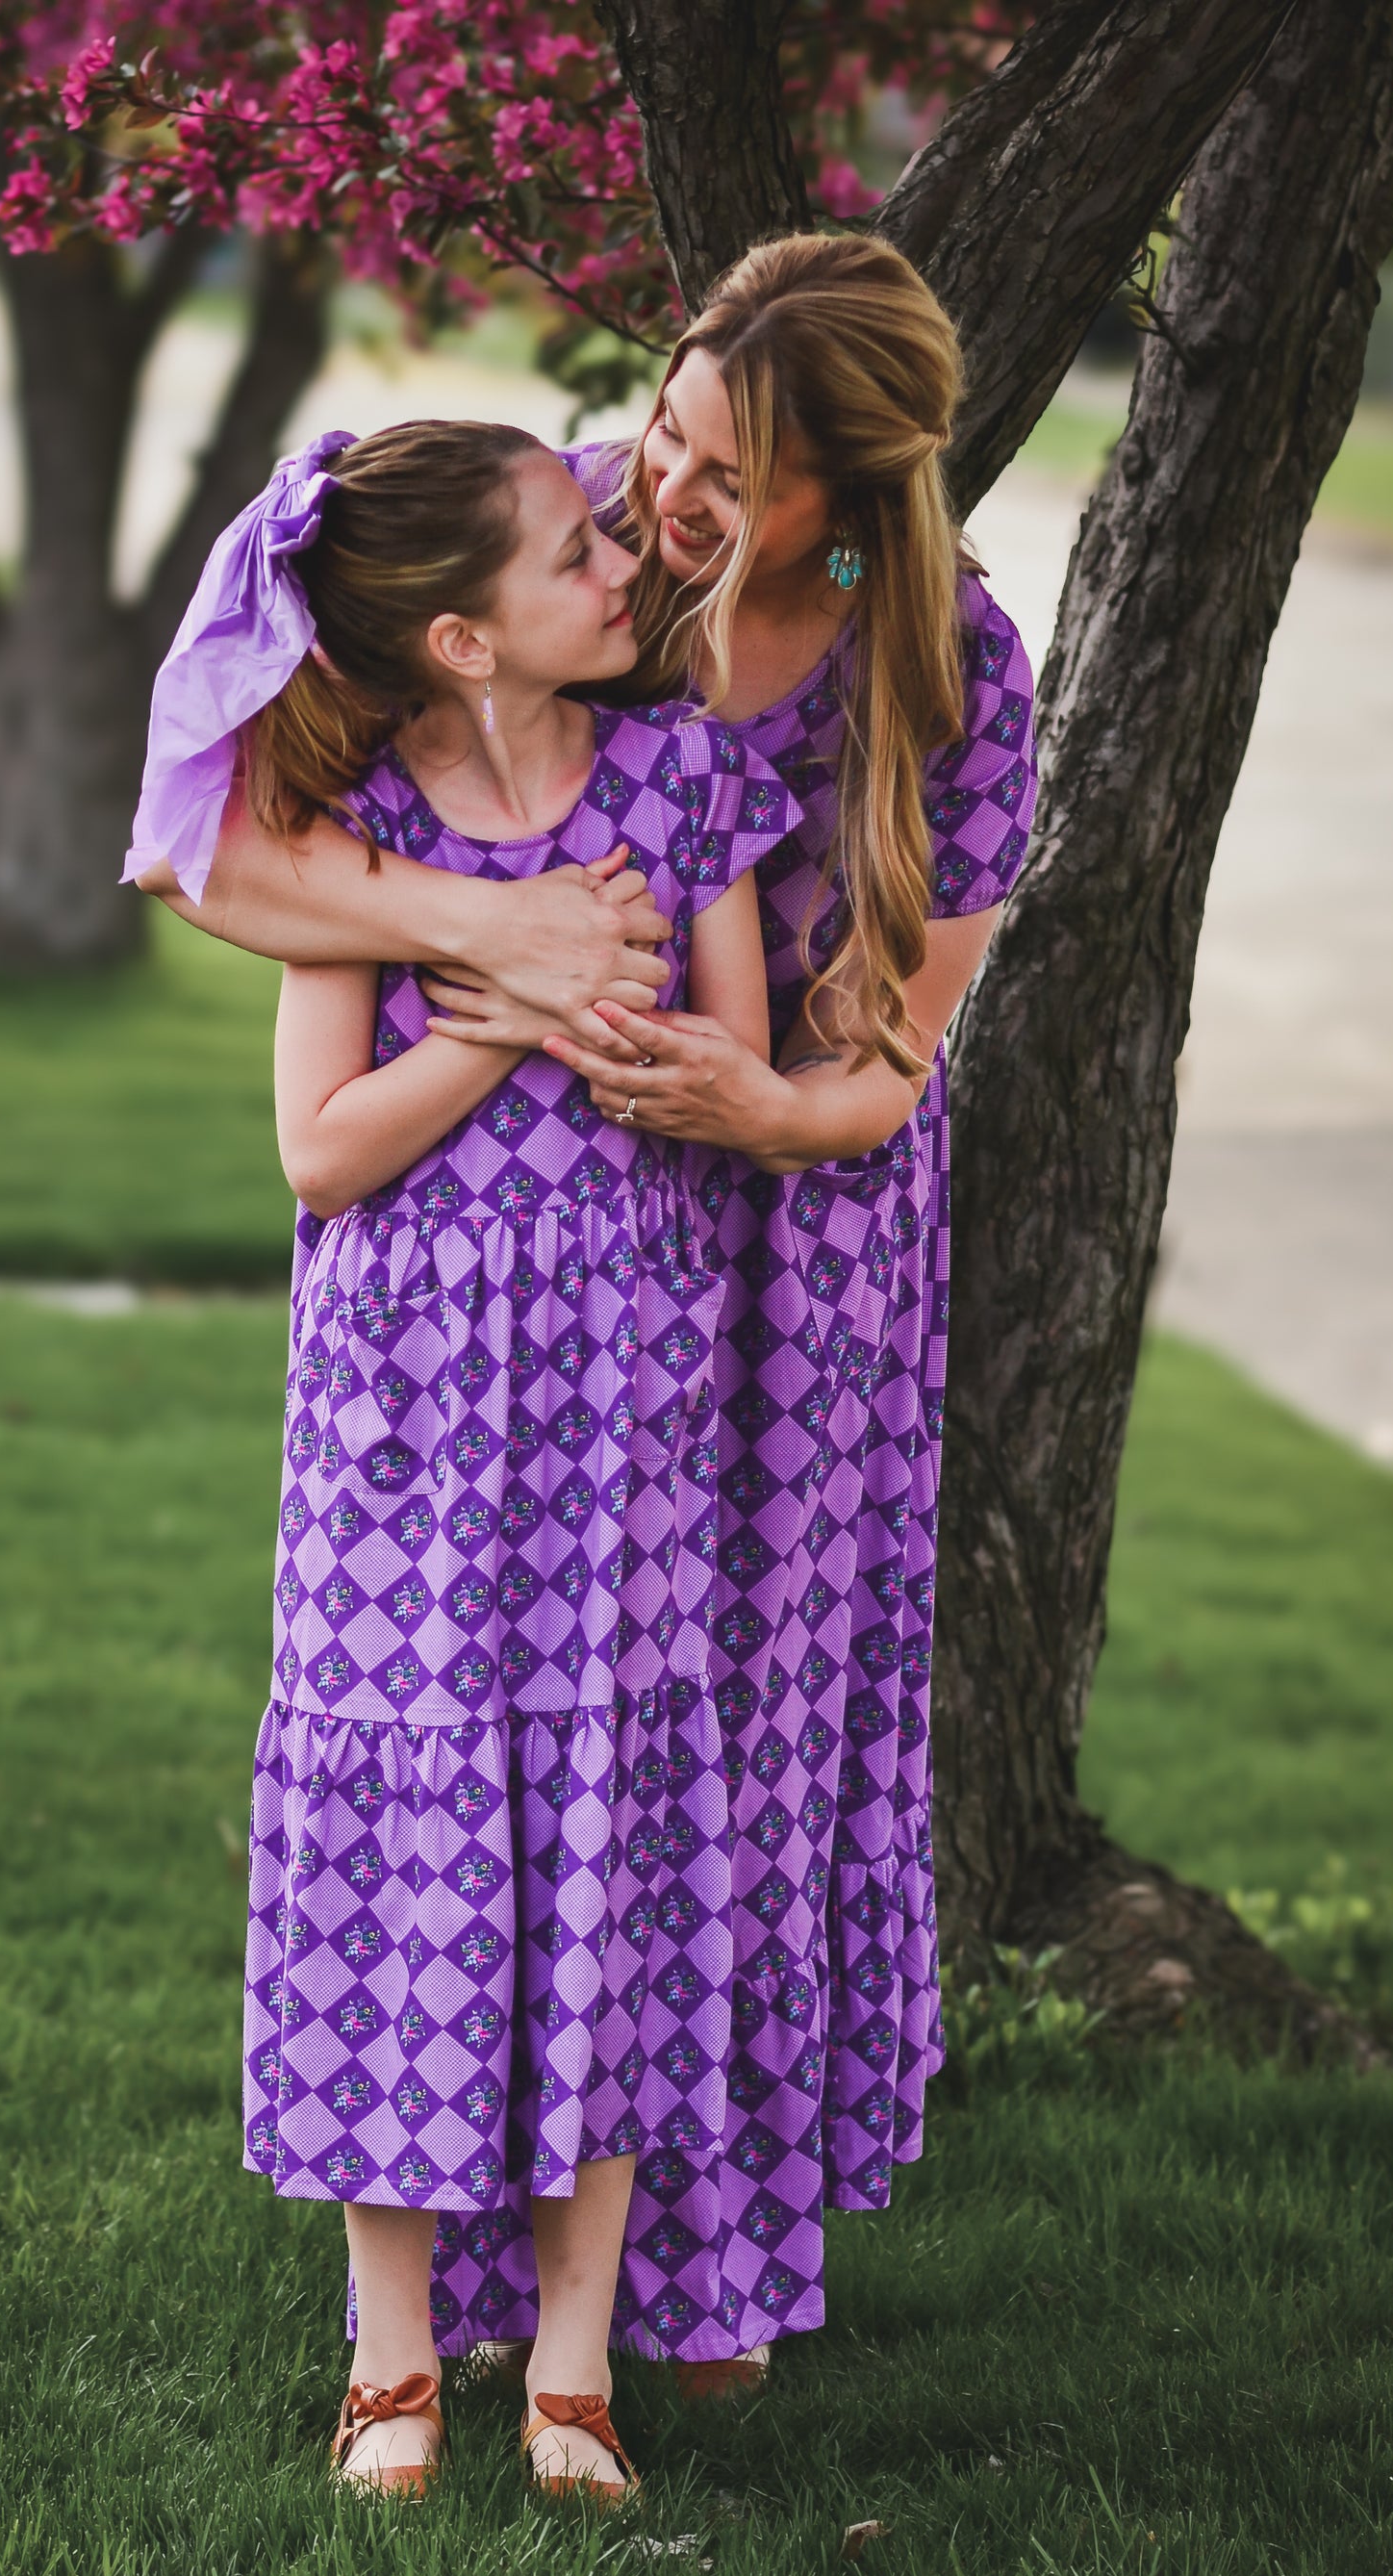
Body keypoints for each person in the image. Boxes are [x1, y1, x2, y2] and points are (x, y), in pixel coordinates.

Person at [144, 230, 1037, 2404]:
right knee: (500, 1733)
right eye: (668, 420)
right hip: (525, 1252)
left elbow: (893, 1062)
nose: (664, 488)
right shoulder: (543, 553)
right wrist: (506, 949)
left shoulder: (945, 671)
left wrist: (761, 1099)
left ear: (857, 490)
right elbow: (234, 859)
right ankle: (445, 2293)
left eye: (728, 472)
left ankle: (673, 2286)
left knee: (709, 1757)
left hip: (789, 1252)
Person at [129, 418, 803, 2496]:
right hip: (403, 1430)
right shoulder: (345, 833)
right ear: (462, 636)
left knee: (606, 1837)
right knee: (399, 1851)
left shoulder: (683, 788)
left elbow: (735, 1067)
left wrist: (639, 1030)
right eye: (574, 551)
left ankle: (577, 2355)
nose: (619, 558)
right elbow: (321, 1152)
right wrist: (501, 1002)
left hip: (621, 1407)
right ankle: (397, 2350)